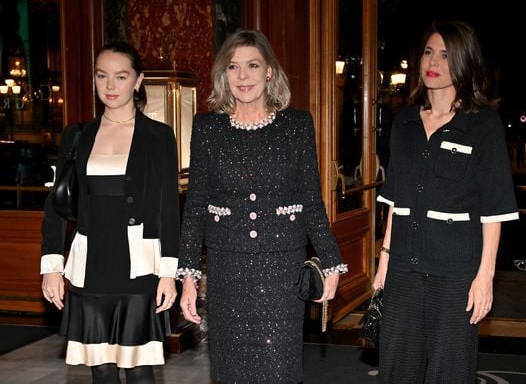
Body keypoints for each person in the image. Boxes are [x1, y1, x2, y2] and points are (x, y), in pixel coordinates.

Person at [177, 29, 347, 383]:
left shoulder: (297, 125)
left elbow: (311, 200)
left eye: (252, 65)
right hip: (227, 269)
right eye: (234, 67)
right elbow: (195, 209)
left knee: (278, 368)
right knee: (231, 369)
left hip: (281, 269)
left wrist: (331, 260)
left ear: (269, 71)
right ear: (224, 74)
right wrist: (189, 277)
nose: (243, 76)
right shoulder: (208, 128)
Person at [372, 20, 519, 382]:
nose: (432, 61)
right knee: (396, 370)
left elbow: (494, 210)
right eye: (428, 52)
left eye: (445, 55)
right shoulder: (404, 121)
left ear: (464, 63)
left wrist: (485, 277)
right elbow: (396, 204)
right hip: (404, 270)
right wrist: (383, 266)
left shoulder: (483, 124)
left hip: (455, 275)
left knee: (449, 373)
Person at [40, 41, 179, 384]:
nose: (111, 86)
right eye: (102, 76)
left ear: (138, 80)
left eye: (121, 76)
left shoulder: (158, 137)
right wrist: (52, 267)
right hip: (91, 267)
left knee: (138, 368)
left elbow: (167, 209)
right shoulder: (77, 136)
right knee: (100, 368)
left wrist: (168, 273)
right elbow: (57, 206)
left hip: (138, 267)